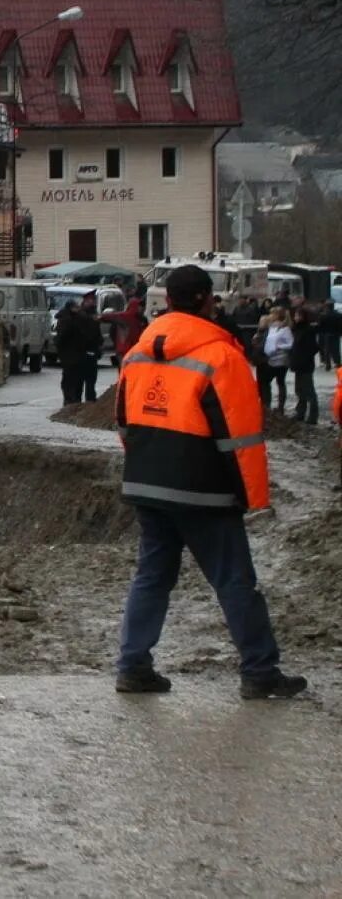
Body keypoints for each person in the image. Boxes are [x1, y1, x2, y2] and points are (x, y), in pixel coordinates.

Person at [113, 264, 306, 699]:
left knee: (152, 576)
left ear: (167, 301)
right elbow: (242, 440)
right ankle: (260, 672)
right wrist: (254, 497)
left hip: (148, 484)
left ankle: (133, 666)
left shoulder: (138, 354)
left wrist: (149, 465)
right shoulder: (221, 356)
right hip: (204, 490)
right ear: (206, 299)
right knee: (235, 580)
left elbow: (124, 425)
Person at [290, 303, 321, 425]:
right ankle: (300, 413)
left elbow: (313, 348)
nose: (296, 317)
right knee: (299, 390)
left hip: (305, 365)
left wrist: (303, 358)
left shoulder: (308, 330)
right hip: (298, 364)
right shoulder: (296, 329)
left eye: (298, 315)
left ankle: (313, 416)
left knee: (309, 391)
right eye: (295, 315)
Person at [99, 292, 146, 368]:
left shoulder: (142, 319)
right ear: (135, 306)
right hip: (124, 349)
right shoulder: (124, 317)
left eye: (142, 306)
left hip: (136, 350)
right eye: (140, 306)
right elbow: (107, 317)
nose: (142, 308)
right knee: (124, 371)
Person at [261, 307, 294, 414]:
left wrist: (279, 346)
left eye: (272, 314)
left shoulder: (285, 329)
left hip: (281, 360)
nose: (270, 316)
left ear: (277, 316)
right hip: (270, 358)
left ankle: (281, 406)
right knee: (265, 382)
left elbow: (290, 344)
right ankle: (267, 404)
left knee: (280, 382)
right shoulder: (272, 328)